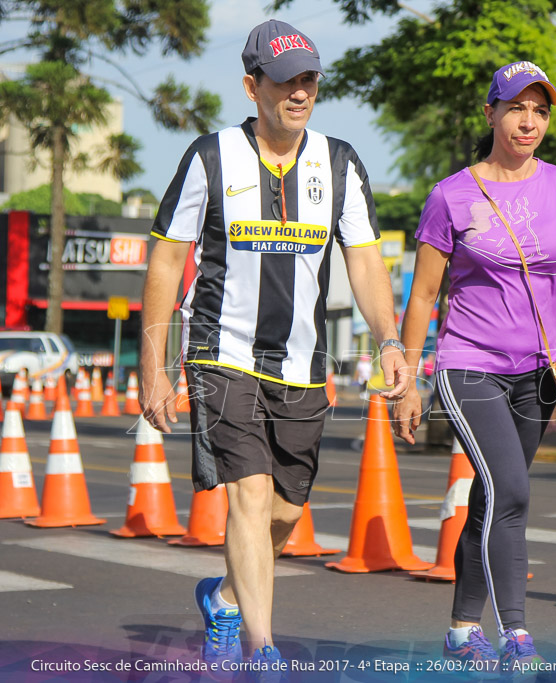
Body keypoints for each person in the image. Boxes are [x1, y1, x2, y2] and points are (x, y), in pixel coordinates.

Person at [139, 19, 410, 678]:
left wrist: (391, 338)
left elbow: (369, 264)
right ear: (251, 85)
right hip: (220, 354)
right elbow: (165, 262)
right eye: (286, 79)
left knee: (287, 508)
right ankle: (263, 649)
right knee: (250, 497)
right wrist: (154, 366)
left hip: (302, 364)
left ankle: (226, 597)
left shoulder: (339, 161)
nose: (299, 91)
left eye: (309, 79)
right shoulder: (210, 157)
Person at [391, 60, 556, 672]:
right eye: (516, 108)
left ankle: (461, 630)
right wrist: (406, 379)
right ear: (490, 114)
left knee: (492, 498)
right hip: (469, 364)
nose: (528, 121)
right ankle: (516, 634)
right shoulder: (451, 195)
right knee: (511, 489)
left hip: (541, 369)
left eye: (539, 110)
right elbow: (425, 296)